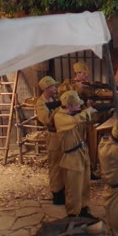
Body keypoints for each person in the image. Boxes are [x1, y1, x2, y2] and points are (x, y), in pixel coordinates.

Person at [53, 90, 97, 218]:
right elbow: (76, 120)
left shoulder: (75, 114)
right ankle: (73, 214)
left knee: (84, 186)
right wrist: (88, 110)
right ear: (69, 105)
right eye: (77, 104)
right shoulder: (59, 117)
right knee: (74, 189)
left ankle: (83, 209)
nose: (79, 105)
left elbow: (90, 120)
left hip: (82, 153)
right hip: (72, 157)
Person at [35, 76, 65, 205]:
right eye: (52, 87)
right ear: (46, 89)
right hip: (53, 136)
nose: (55, 88)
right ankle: (57, 193)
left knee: (63, 164)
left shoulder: (56, 98)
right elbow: (46, 119)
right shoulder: (41, 103)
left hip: (62, 134)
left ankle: (63, 189)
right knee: (55, 166)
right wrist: (61, 109)